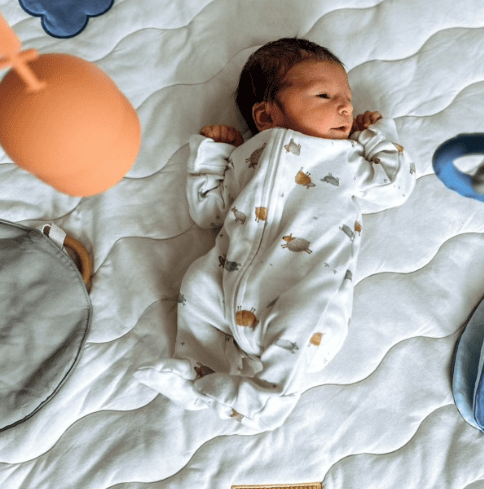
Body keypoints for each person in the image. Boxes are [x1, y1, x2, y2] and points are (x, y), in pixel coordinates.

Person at [134, 38, 416, 430]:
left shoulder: (346, 158)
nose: (346, 107)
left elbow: (394, 186)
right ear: (265, 117)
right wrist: (213, 153)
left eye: (347, 98)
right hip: (229, 281)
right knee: (197, 286)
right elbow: (209, 212)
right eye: (324, 94)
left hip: (305, 286)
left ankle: (269, 397)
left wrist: (376, 136)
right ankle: (197, 374)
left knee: (302, 316)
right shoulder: (246, 157)